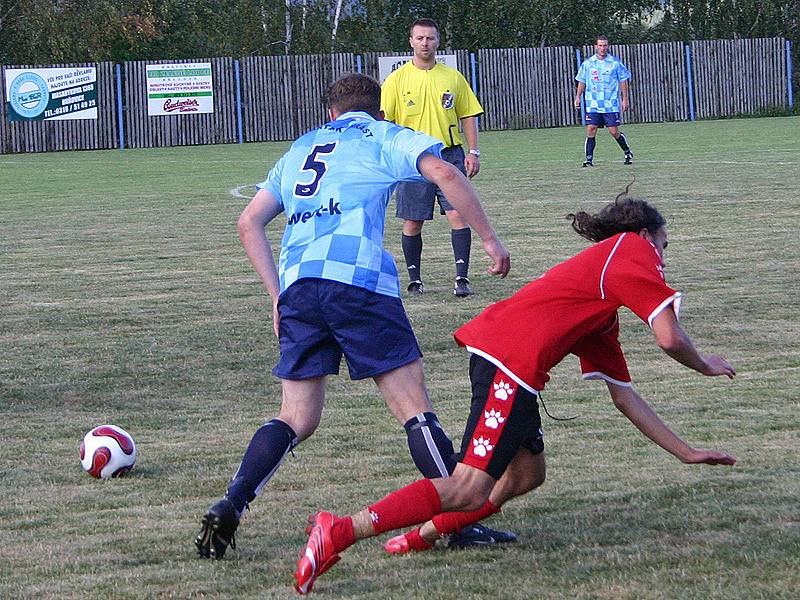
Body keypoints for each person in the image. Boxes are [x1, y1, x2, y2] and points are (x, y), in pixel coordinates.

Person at [293, 191, 738, 595]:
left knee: (526, 476)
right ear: (644, 234)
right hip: (507, 364)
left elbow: (624, 397)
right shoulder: (631, 249)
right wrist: (705, 365)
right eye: (664, 243)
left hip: (514, 368)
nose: (662, 255)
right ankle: (340, 530)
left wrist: (685, 452)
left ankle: (419, 536)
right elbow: (668, 336)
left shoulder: (599, 303)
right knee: (467, 488)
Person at [194, 73, 512, 561]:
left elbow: (248, 222)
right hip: (357, 281)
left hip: (300, 287)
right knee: (414, 406)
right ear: (379, 110)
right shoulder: (382, 134)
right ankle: (456, 522)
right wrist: (490, 239)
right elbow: (448, 174)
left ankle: (232, 501)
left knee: (296, 415)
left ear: (330, 113)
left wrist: (277, 295)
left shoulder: (302, 146)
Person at [382, 18, 484, 297]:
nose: (425, 43)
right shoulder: (396, 80)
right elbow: (385, 122)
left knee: (457, 215)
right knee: (413, 221)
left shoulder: (453, 77)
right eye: (420, 38)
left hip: (450, 155)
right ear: (411, 41)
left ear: (438, 42)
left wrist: (473, 151)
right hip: (412, 158)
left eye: (430, 38)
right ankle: (414, 279)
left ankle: (461, 278)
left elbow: (468, 115)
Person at [574, 36, 634, 167]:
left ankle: (627, 152)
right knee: (591, 129)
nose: (602, 48)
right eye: (600, 45)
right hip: (593, 103)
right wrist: (578, 96)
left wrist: (625, 99)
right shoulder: (588, 64)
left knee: (613, 131)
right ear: (596, 46)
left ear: (608, 46)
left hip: (610, 103)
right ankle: (588, 159)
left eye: (605, 45)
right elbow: (582, 81)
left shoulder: (615, 63)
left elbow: (623, 81)